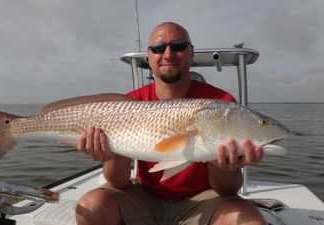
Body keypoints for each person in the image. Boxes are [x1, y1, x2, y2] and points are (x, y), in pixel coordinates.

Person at [75, 22, 266, 225]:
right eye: (158, 49)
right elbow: (117, 182)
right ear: (148, 57)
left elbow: (228, 190)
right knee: (92, 207)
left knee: (249, 222)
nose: (168, 54)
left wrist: (223, 166)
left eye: (178, 46)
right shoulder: (128, 104)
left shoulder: (221, 104)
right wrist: (111, 155)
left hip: (204, 198)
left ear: (191, 52)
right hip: (146, 196)